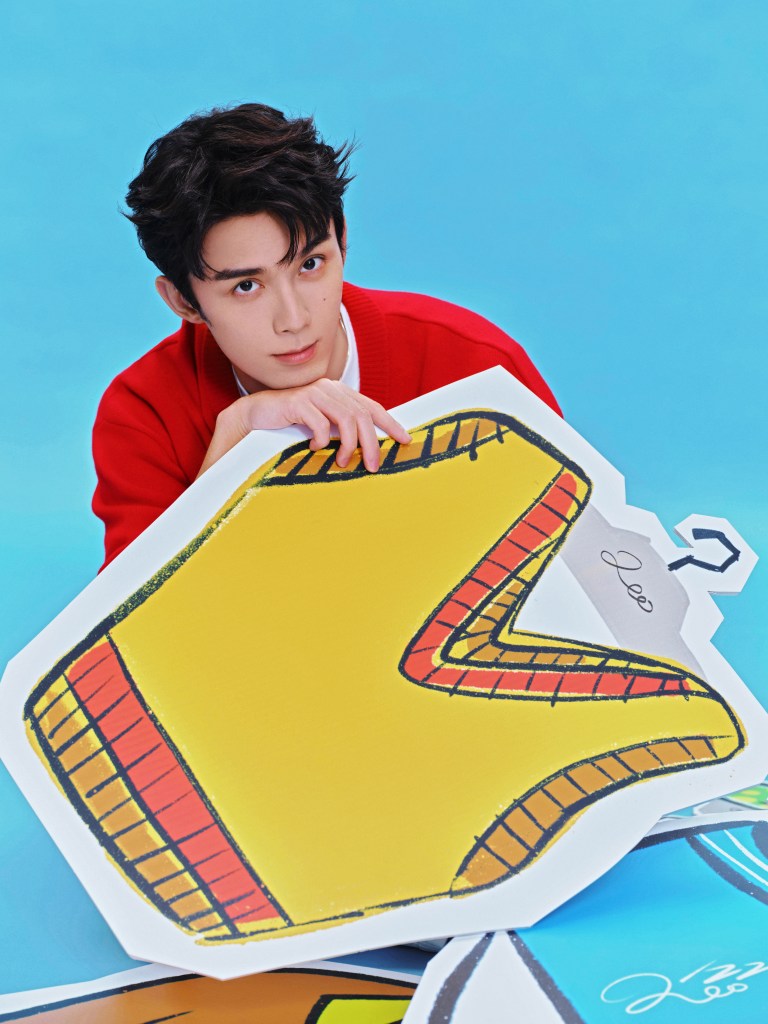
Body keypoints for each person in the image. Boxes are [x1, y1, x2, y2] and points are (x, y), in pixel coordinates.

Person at [93, 103, 561, 567]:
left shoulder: (474, 364)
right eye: (246, 286)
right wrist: (236, 439)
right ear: (183, 301)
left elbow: (577, 558)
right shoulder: (143, 415)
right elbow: (140, 613)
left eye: (310, 264)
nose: (294, 319)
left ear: (342, 239)